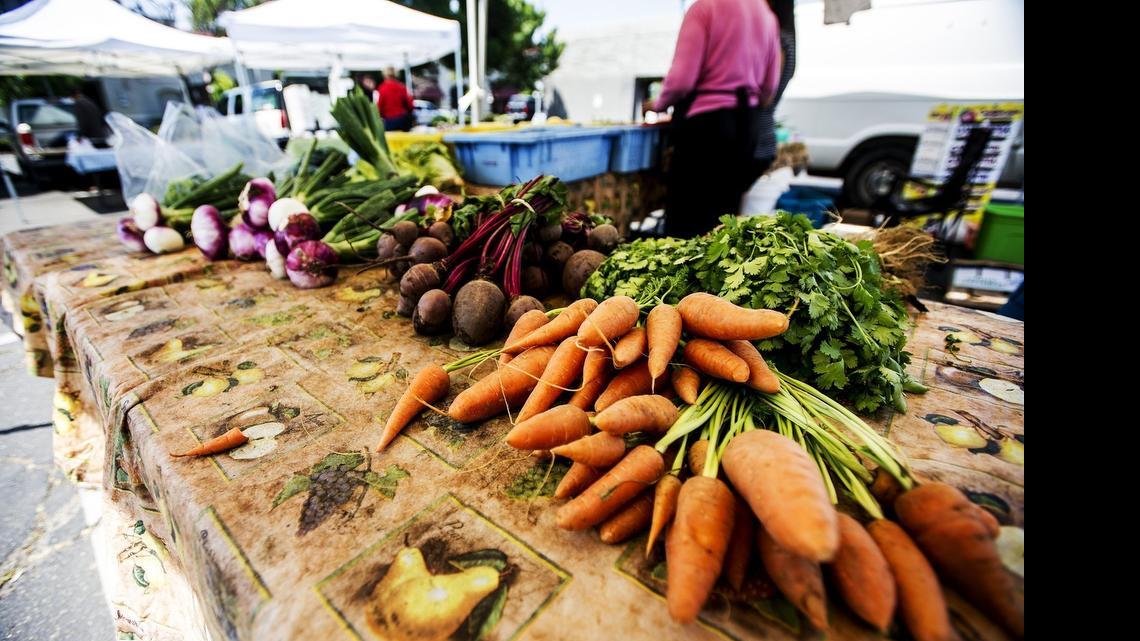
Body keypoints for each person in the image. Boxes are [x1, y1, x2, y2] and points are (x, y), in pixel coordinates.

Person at [653, 0, 782, 238]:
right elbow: (769, 88)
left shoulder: (705, 7)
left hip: (706, 129)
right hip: (746, 127)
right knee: (722, 227)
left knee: (687, 227)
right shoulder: (766, 14)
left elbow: (681, 80)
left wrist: (658, 104)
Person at [747, 0, 797, 187]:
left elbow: (767, 93)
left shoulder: (778, 39)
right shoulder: (785, 39)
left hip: (756, 139)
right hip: (762, 138)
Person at [377, 67, 415, 132]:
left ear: (385, 75)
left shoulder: (382, 88)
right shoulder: (401, 87)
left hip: (389, 121)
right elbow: (410, 105)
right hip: (403, 120)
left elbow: (379, 106)